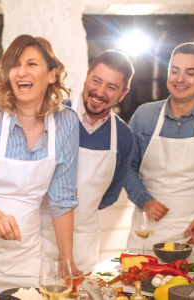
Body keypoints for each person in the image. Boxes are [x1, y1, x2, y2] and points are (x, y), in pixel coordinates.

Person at [0, 34, 80, 292]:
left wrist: (66, 258)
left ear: (52, 75)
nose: (21, 72)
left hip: (24, 256)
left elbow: (62, 199)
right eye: (14, 65)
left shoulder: (66, 123)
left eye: (32, 64)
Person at [125, 43, 194, 255]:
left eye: (190, 73)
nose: (180, 79)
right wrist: (143, 200)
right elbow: (125, 167)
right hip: (147, 231)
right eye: (174, 71)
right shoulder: (144, 116)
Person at [40, 50, 134, 271]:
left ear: (123, 93)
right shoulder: (51, 116)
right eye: (96, 81)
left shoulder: (123, 136)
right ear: (86, 75)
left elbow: (111, 194)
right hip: (41, 236)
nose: (100, 92)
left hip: (84, 242)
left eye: (111, 87)